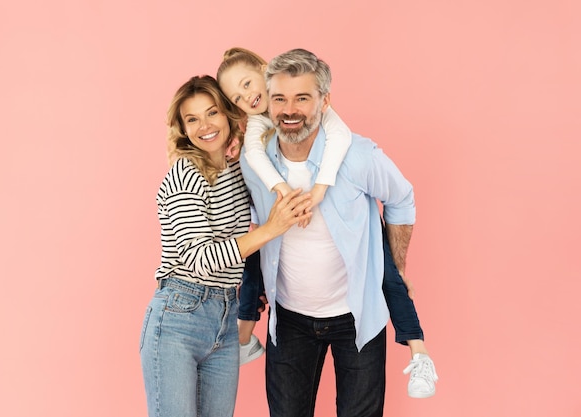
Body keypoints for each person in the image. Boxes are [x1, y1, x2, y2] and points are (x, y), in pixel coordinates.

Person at [221, 48, 438, 398]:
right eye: (280, 99)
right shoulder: (252, 157)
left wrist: (395, 267)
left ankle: (419, 351)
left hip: (357, 317)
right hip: (288, 320)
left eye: (302, 98)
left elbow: (401, 198)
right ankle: (243, 335)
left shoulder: (356, 155)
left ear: (323, 102)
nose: (289, 110)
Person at [139, 75, 312, 417]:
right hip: (178, 317)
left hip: (224, 315)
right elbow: (201, 259)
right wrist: (270, 229)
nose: (205, 125)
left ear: (227, 114)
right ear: (183, 128)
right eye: (192, 119)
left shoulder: (238, 167)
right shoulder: (185, 174)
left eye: (212, 112)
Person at [217, 47, 352, 366]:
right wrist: (283, 192)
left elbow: (341, 134)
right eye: (237, 97)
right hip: (265, 213)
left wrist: (319, 191)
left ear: (266, 70)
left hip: (305, 212)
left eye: (248, 84)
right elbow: (254, 154)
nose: (247, 97)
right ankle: (243, 337)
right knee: (252, 267)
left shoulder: (301, 102)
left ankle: (244, 334)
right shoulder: (253, 126)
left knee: (259, 268)